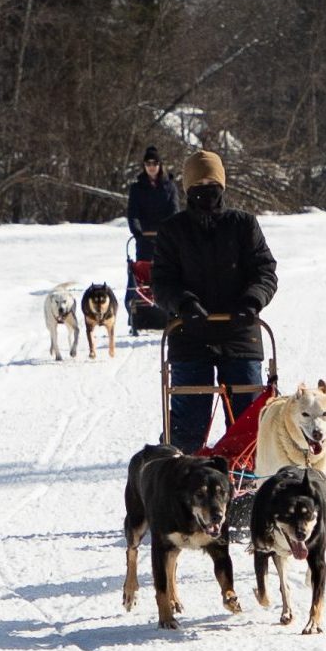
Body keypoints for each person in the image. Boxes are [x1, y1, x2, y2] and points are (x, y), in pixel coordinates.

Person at [150, 149, 278, 453]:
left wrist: (251, 301)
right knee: (188, 422)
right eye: (198, 182)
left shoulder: (244, 225)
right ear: (187, 187)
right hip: (189, 332)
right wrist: (183, 304)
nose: (206, 188)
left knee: (248, 420)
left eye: (211, 180)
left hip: (240, 331)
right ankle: (183, 477)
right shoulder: (172, 231)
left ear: (222, 183)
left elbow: (265, 271)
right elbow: (162, 282)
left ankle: (247, 485)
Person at [125, 145, 180, 331]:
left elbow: (174, 211)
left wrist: (168, 230)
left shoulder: (170, 186)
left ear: (160, 165)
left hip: (165, 239)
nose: (151, 167)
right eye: (148, 163)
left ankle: (170, 310)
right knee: (142, 277)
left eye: (155, 163)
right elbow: (132, 213)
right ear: (144, 166)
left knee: (167, 274)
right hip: (144, 240)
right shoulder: (137, 188)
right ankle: (141, 312)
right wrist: (137, 230)